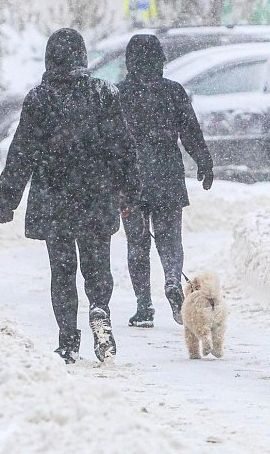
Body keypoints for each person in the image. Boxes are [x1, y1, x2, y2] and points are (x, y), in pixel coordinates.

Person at [0, 28, 140, 364]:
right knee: (98, 266)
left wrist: (4, 200)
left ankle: (68, 341)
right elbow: (122, 147)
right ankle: (100, 308)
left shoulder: (39, 99)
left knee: (63, 271)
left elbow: (21, 154)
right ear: (82, 57)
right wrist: (129, 189)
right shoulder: (103, 93)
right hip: (96, 195)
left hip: (54, 198)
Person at [117, 34, 214, 328]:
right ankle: (172, 280)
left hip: (131, 177)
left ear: (129, 62)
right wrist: (204, 162)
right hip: (167, 174)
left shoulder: (118, 93)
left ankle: (144, 306)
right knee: (170, 238)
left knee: (137, 243)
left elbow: (109, 139)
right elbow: (191, 133)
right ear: (161, 60)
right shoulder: (173, 92)